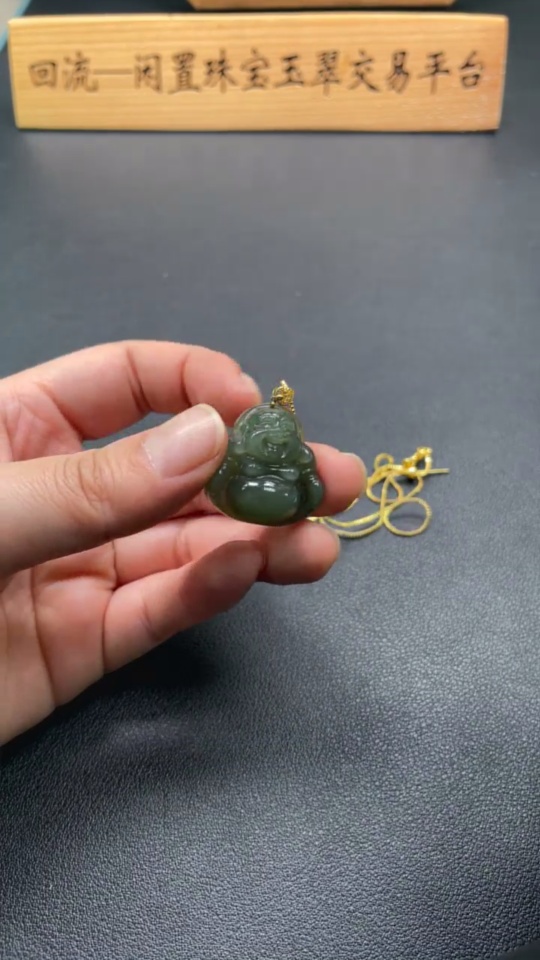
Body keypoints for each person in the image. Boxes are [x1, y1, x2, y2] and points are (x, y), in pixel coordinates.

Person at [0, 341, 365, 746]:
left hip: (283, 500)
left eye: (283, 439)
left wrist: (307, 489)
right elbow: (220, 477)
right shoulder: (233, 457)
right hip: (241, 493)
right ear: (248, 437)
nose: (275, 446)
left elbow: (313, 485)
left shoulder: (299, 460)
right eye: (267, 438)